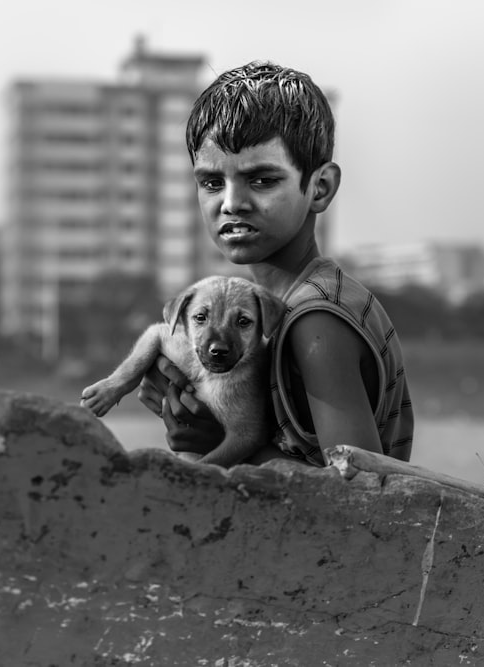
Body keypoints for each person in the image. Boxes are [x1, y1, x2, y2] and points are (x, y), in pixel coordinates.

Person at [136, 61, 414, 466]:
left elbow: (363, 496)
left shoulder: (315, 320)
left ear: (320, 188)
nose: (232, 203)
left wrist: (224, 441)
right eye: (212, 182)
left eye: (263, 180)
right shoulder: (290, 304)